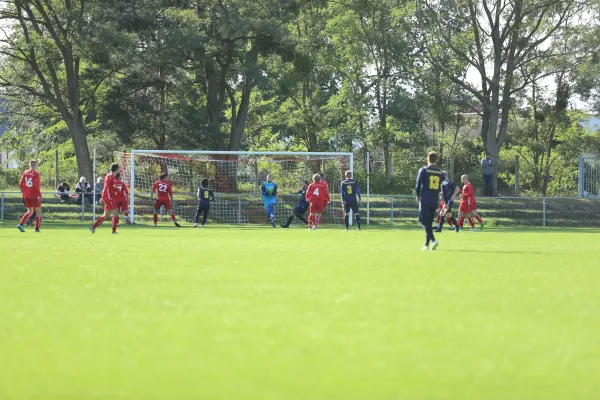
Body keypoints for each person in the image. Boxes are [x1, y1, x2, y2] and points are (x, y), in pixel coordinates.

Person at [415, 152, 445, 250]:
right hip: (434, 200)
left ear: (427, 158)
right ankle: (426, 245)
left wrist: (417, 195)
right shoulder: (440, 173)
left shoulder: (423, 170)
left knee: (423, 221)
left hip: (425, 199)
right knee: (429, 222)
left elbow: (418, 184)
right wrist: (446, 200)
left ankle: (433, 240)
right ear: (436, 160)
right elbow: (444, 188)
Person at [90, 163, 120, 234]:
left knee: (106, 215)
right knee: (116, 213)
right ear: (116, 169)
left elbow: (111, 187)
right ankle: (114, 231)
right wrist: (103, 197)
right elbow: (106, 187)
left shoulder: (112, 176)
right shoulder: (110, 177)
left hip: (109, 197)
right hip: (109, 197)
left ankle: (93, 227)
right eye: (119, 168)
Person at [17, 160, 42, 233]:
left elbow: (21, 184)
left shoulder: (25, 173)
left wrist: (25, 191)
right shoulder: (36, 174)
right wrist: (39, 195)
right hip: (34, 195)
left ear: (29, 165)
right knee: (38, 212)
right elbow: (36, 186)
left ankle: (21, 224)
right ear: (36, 165)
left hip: (26, 195)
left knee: (30, 211)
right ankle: (37, 229)